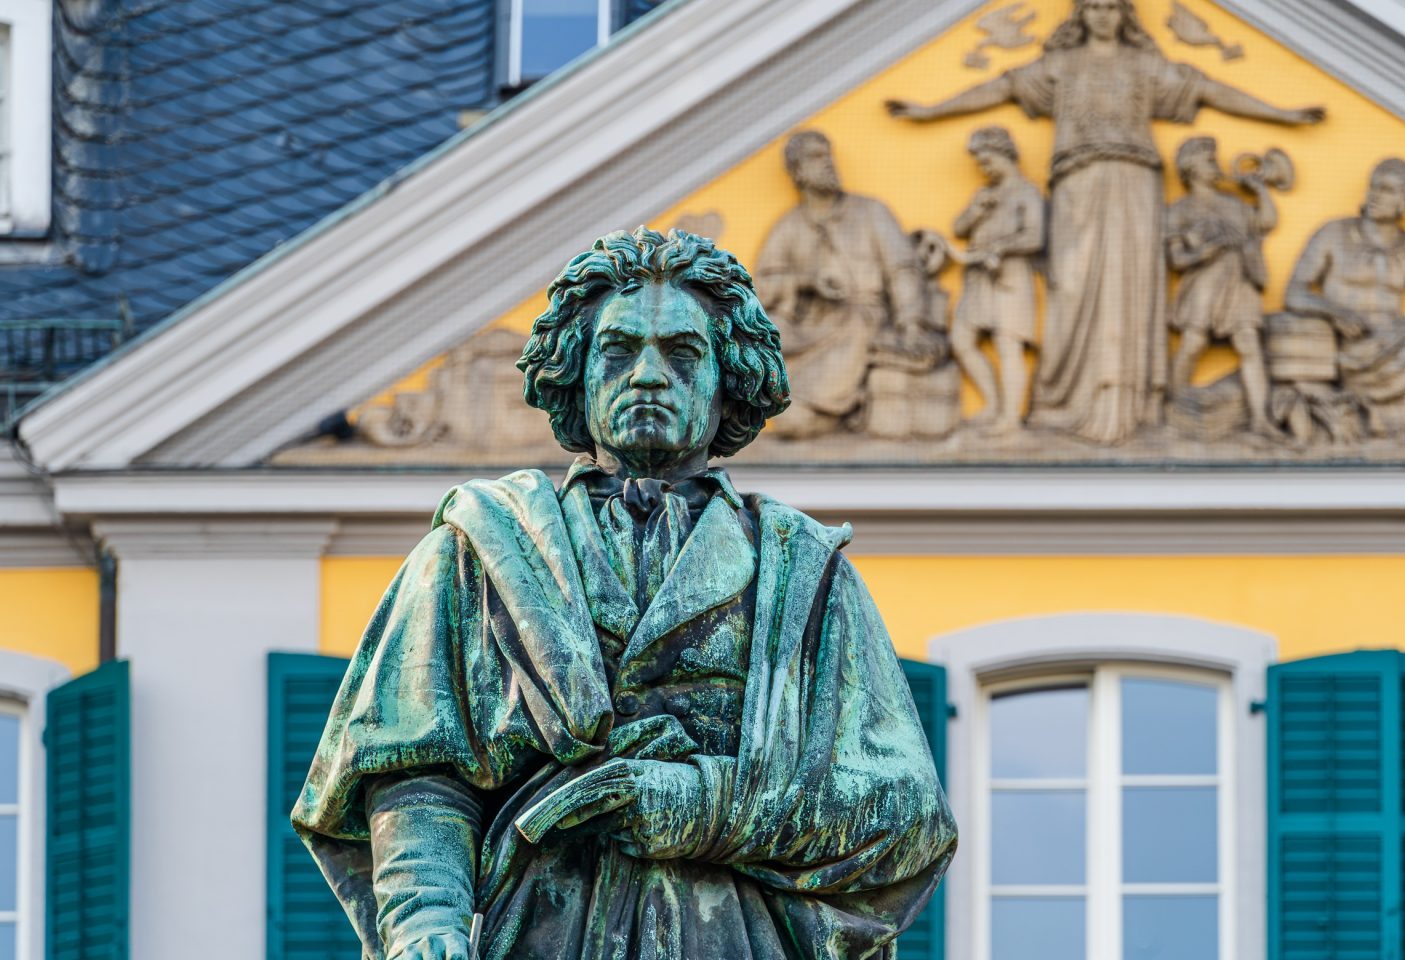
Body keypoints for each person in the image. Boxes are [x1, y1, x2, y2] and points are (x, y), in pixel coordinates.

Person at [291, 228, 958, 960]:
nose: (647, 374)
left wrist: (704, 807)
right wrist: (426, 923)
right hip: (540, 930)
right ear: (574, 374)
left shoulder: (805, 572)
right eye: (617, 351)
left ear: (727, 379)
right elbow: (418, 774)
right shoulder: (479, 552)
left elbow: (906, 818)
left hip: (732, 937)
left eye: (681, 353)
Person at [887, 0, 1323, 445]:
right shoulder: (1062, 65)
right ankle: (1066, 404)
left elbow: (1209, 89)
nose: (1101, 14)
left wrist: (1281, 115)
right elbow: (999, 88)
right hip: (1076, 187)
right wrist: (931, 111)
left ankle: (1128, 406)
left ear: (1124, 16)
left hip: (1134, 187)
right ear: (1081, 16)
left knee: (1127, 284)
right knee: (1071, 284)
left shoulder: (1143, 64)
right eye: (1093, 6)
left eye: (1111, 7)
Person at [755, 131, 929, 438]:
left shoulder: (871, 212)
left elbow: (903, 269)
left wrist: (910, 321)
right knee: (771, 330)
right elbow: (763, 289)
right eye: (816, 157)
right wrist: (808, 282)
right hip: (809, 324)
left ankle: (826, 405)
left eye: (828, 155)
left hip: (860, 316)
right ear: (798, 172)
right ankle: (798, 403)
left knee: (856, 322)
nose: (828, 163)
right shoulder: (789, 227)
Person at [1284, 159, 1405, 439]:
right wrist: (1333, 312)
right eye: (1374, 187)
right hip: (1351, 343)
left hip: (1399, 339)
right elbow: (1295, 293)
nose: (1375, 195)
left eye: (1387, 190)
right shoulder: (1334, 234)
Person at [1166, 136, 1285, 440]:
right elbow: (1176, 258)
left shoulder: (1234, 204)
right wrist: (1207, 249)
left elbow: (1266, 222)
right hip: (1204, 283)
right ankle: (1170, 409)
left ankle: (1260, 418)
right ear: (1190, 167)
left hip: (1239, 279)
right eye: (1208, 160)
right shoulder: (1179, 210)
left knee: (1249, 344)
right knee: (1193, 343)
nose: (1214, 165)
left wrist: (1260, 190)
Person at [948, 126, 1045, 433]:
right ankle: (991, 404)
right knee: (961, 340)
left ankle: (1010, 417)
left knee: (1008, 344)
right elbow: (959, 228)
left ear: (1006, 155)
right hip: (979, 276)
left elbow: (1035, 235)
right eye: (980, 164)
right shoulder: (985, 194)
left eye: (988, 161)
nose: (984, 168)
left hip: (1010, 276)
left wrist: (999, 248)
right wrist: (976, 211)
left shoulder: (1026, 193)